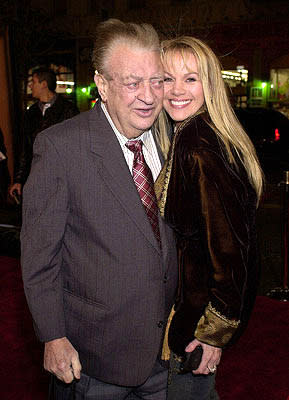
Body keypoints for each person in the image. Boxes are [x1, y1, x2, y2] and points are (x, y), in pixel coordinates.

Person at [20, 19, 177, 400]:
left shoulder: (174, 137)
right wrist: (54, 336)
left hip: (168, 352)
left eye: (157, 81)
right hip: (94, 360)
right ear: (102, 85)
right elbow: (41, 256)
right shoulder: (60, 147)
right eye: (132, 82)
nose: (148, 96)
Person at [154, 36, 264, 400]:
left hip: (196, 323)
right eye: (168, 78)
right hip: (194, 314)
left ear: (211, 84)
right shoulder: (200, 133)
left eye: (191, 78)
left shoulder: (198, 144)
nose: (176, 90)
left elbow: (230, 249)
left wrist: (212, 332)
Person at [9, 67, 79, 199]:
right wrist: (19, 180)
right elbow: (26, 149)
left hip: (63, 179)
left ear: (44, 84)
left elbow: (76, 148)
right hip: (37, 178)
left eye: (33, 82)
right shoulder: (31, 113)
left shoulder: (68, 110)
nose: (30, 85)